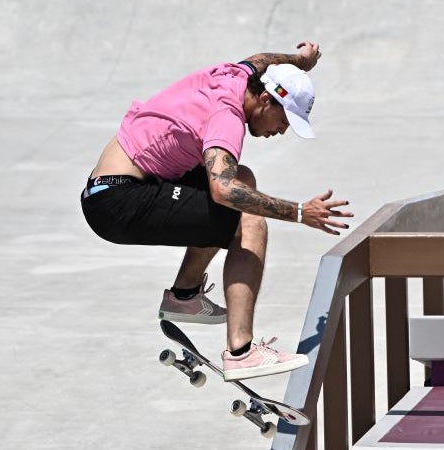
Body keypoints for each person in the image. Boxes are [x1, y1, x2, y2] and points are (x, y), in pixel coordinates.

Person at [81, 41, 353, 381]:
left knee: (244, 178)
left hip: (114, 189)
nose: (281, 131)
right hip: (120, 202)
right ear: (266, 100)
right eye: (284, 120)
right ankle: (242, 351)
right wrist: (299, 212)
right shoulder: (227, 116)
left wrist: (300, 61)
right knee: (246, 210)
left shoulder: (238, 75)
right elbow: (223, 191)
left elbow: (260, 61)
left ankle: (185, 295)